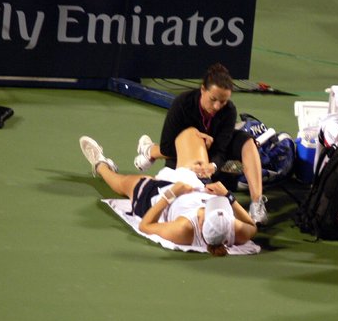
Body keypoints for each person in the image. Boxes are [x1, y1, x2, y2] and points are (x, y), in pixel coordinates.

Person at [79, 128, 258, 257]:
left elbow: (145, 226)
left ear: (202, 223)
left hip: (158, 197)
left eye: (209, 210)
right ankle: (150, 151)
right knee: (191, 134)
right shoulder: (231, 229)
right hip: (195, 183)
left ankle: (101, 165)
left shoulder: (184, 230)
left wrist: (171, 194)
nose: (214, 206)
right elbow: (252, 226)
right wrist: (228, 196)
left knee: (122, 183)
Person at [133, 63, 268, 225]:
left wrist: (214, 166)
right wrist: (195, 139)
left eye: (223, 102)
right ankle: (151, 151)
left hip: (213, 154)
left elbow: (221, 150)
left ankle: (257, 203)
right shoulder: (182, 104)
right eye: (213, 99)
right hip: (183, 152)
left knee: (247, 141)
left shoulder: (229, 110)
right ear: (203, 90)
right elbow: (168, 147)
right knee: (174, 149)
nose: (217, 106)